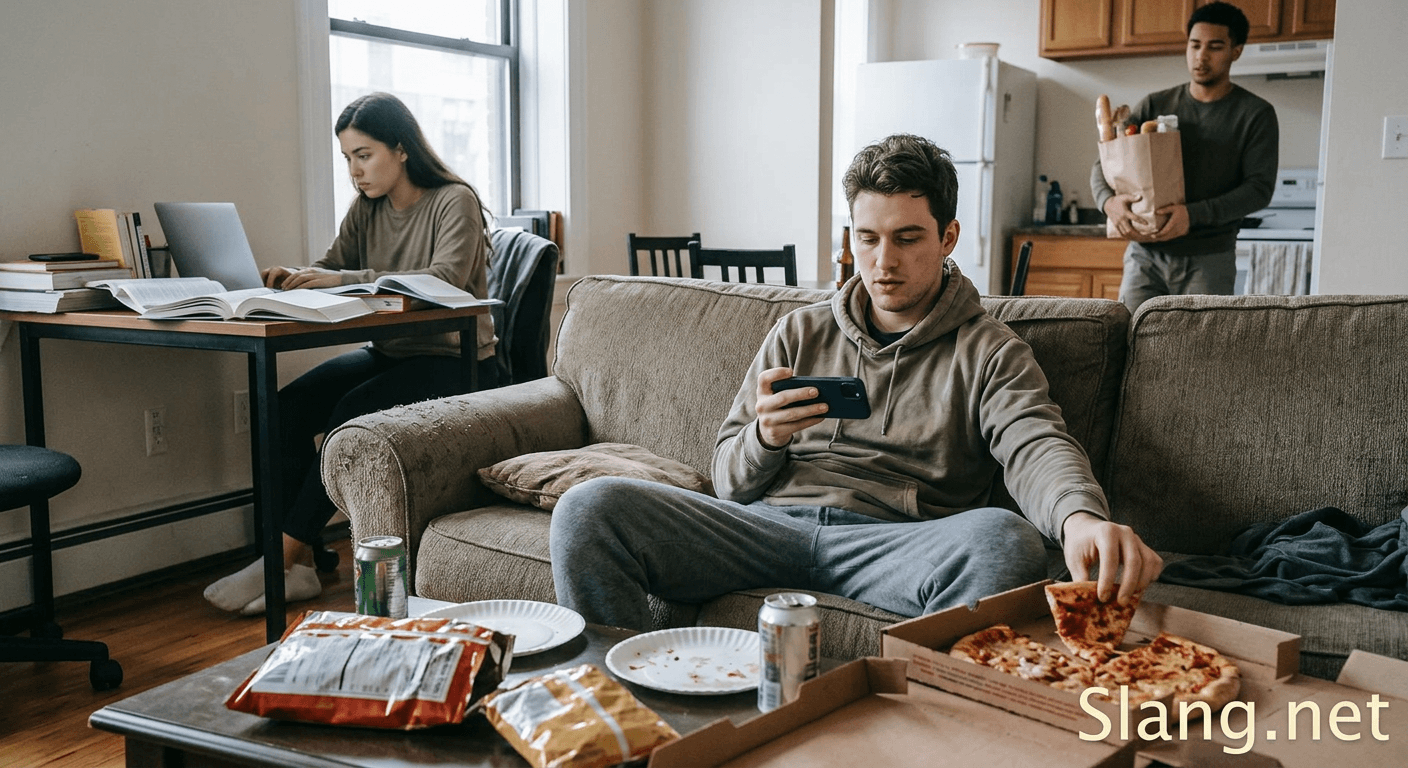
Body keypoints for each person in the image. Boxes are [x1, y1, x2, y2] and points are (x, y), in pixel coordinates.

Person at [549, 134, 1163, 632]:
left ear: (947, 238)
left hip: (898, 546)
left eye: (907, 238)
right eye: (867, 239)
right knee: (590, 508)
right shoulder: (799, 331)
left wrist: (1079, 519)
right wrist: (765, 438)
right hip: (769, 529)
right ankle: (622, 706)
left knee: (1004, 541)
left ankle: (929, 719)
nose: (883, 262)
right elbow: (728, 482)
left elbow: (1036, 443)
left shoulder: (990, 350)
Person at [204, 92, 499, 615]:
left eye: (364, 155)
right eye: (347, 158)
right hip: (392, 351)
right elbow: (334, 265)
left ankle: (278, 560)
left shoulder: (454, 200)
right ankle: (300, 567)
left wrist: (342, 278)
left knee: (350, 414)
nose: (355, 171)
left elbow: (445, 280)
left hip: (457, 358)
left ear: (402, 149)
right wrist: (296, 278)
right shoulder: (367, 207)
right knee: (287, 406)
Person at [1091, 1, 1279, 314]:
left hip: (1209, 259)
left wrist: (1192, 215)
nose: (1201, 56)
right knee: (1129, 337)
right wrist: (1107, 203)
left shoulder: (1255, 114)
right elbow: (1105, 163)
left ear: (1236, 51)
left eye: (1215, 47)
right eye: (1194, 45)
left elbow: (1259, 190)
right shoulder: (1155, 104)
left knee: (1199, 342)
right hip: (1144, 256)